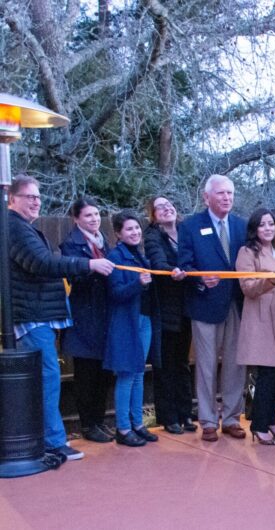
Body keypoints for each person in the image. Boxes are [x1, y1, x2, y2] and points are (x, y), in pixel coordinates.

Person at [8, 176, 114, 462]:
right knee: (47, 377)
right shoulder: (15, 228)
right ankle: (53, 442)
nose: (36, 201)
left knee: (44, 377)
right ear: (12, 199)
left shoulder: (22, 228)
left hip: (37, 315)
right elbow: (42, 263)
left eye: (38, 197)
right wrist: (88, 264)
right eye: (29, 197)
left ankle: (44, 439)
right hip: (31, 317)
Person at [177, 174, 247, 442]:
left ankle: (231, 419)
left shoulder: (242, 226)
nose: (227, 198)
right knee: (206, 366)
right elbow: (184, 263)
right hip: (205, 303)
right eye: (221, 193)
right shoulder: (191, 226)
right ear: (207, 197)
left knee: (235, 364)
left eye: (230, 193)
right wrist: (199, 278)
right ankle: (207, 420)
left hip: (237, 304)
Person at [235, 208, 275, 446]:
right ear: (254, 228)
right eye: (262, 225)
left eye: (271, 224)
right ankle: (259, 425)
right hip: (262, 316)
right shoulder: (247, 251)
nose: (268, 228)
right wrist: (270, 279)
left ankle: (271, 420)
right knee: (266, 374)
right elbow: (247, 286)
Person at [104, 211, 162, 447]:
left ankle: (138, 424)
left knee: (139, 373)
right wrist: (137, 283)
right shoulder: (116, 256)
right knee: (127, 375)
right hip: (127, 322)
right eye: (129, 229)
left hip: (145, 319)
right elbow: (116, 293)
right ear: (118, 233)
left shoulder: (139, 254)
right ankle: (123, 428)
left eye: (137, 228)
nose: (135, 232)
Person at [60, 197, 114, 444]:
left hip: (105, 317)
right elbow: (74, 278)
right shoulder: (71, 244)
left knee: (103, 373)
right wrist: (92, 267)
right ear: (76, 219)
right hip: (84, 318)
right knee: (86, 374)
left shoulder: (104, 243)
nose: (94, 219)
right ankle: (88, 424)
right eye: (88, 215)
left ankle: (99, 421)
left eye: (96, 214)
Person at [144, 196, 196, 435]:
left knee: (183, 363)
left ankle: (186, 413)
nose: (167, 209)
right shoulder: (153, 235)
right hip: (165, 307)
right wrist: (171, 271)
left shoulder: (186, 231)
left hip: (187, 307)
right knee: (165, 364)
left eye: (170, 205)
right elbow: (157, 262)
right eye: (160, 207)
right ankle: (169, 416)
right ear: (153, 215)